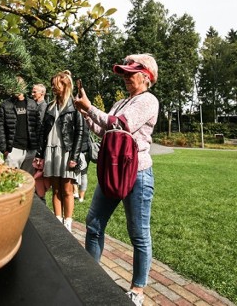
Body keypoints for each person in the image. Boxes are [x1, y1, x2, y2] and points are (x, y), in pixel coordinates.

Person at [73, 54, 159, 306]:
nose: (125, 78)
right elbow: (105, 129)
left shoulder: (148, 101)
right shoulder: (121, 102)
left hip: (137, 174)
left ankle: (137, 290)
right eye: (124, 73)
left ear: (146, 76)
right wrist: (86, 114)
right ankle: (92, 278)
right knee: (93, 223)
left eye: (130, 74)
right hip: (113, 170)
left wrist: (90, 108)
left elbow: (121, 124)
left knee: (139, 234)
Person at [33, 70, 85, 231]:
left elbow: (80, 132)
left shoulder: (75, 106)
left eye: (57, 85)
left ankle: (68, 223)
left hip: (67, 152)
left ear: (66, 85)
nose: (54, 88)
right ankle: (57, 222)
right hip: (51, 152)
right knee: (55, 189)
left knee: (67, 189)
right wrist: (40, 155)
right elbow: (43, 132)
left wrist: (75, 156)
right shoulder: (50, 106)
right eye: (52, 86)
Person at [0, 77, 40, 173]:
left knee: (27, 182)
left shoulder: (33, 104)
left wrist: (37, 147)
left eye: (18, 85)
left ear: (23, 87)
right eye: (13, 86)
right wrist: (4, 149)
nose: (15, 88)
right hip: (13, 150)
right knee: (11, 181)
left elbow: (38, 126)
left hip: (30, 150)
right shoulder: (5, 105)